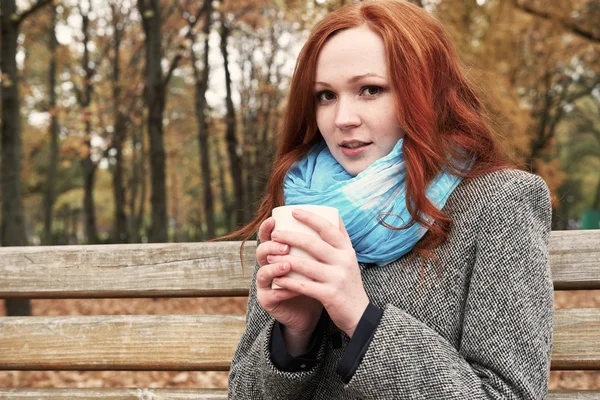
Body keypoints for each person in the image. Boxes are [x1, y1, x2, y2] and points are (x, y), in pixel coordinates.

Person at [225, 1, 553, 398]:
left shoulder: (499, 203)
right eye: (325, 95)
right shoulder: (299, 200)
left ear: (428, 93)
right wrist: (293, 338)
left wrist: (362, 320)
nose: (342, 117)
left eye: (371, 90)